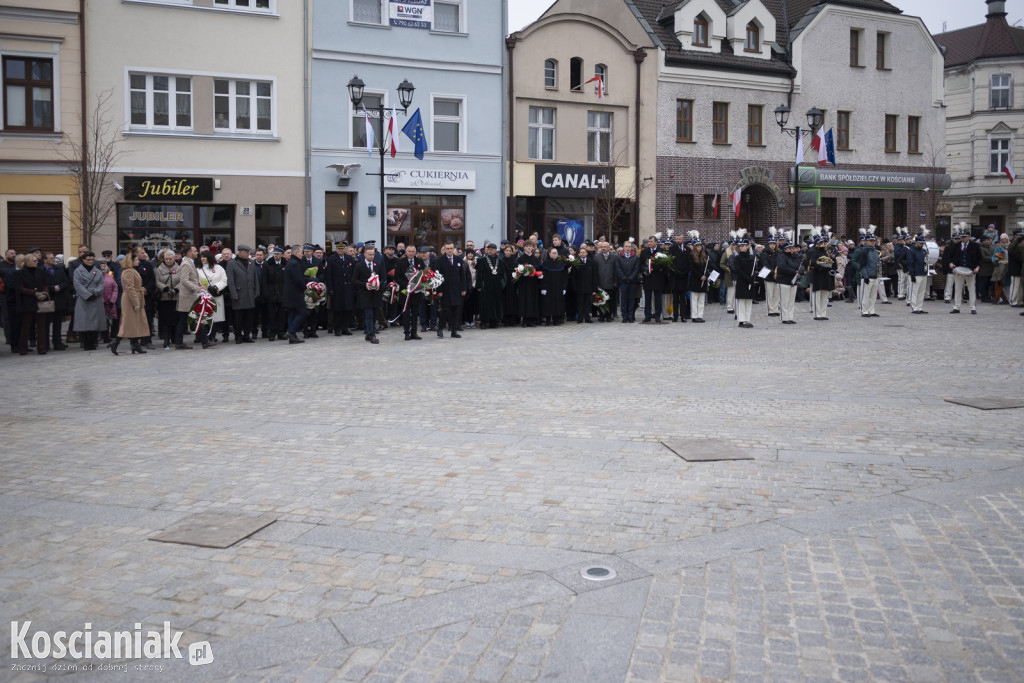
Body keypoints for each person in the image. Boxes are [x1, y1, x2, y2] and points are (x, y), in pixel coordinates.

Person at [111, 251, 150, 355]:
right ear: (131, 261)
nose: (138, 261)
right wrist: (135, 302)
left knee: (135, 323)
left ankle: (135, 344)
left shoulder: (132, 270)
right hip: (130, 299)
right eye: (136, 260)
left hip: (135, 297)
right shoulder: (128, 271)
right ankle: (116, 342)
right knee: (128, 323)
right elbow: (129, 287)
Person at [15, 252, 50, 355]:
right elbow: (20, 288)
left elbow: (45, 284)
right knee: (25, 326)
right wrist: (34, 293)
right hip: (27, 302)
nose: (36, 262)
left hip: (40, 301)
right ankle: (23, 348)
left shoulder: (41, 272)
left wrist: (45, 292)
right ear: (28, 262)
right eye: (34, 261)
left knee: (41, 327)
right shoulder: (20, 273)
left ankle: (42, 348)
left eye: (37, 261)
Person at [225, 244, 260, 343]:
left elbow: (255, 277)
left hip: (250, 293)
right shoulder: (232, 263)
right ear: (240, 252)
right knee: (238, 317)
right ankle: (238, 336)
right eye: (247, 252)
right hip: (239, 294)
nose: (249, 254)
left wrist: (256, 290)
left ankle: (246, 335)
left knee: (249, 317)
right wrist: (233, 293)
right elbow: (230, 280)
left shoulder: (251, 262)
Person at [71, 252, 106, 350]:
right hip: (83, 299)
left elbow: (101, 284)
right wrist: (87, 294)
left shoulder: (98, 271)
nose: (90, 262)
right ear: (83, 260)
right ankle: (85, 342)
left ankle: (94, 341)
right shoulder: (78, 271)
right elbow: (77, 285)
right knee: (84, 321)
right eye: (88, 260)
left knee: (95, 321)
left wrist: (95, 292)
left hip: (96, 298)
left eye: (92, 260)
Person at [432, 242, 465, 338]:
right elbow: (437, 277)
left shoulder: (458, 259)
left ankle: (454, 331)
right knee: (445, 310)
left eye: (451, 248)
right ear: (444, 249)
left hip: (456, 289)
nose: (450, 250)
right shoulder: (439, 260)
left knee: (456, 310)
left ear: (454, 249)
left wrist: (463, 288)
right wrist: (439, 290)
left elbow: (462, 275)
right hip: (445, 290)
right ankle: (440, 328)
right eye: (448, 248)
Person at [393, 244, 425, 340]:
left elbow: (423, 275)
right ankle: (406, 332)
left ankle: (414, 332)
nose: (411, 253)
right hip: (405, 292)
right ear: (406, 252)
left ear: (415, 252)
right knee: (406, 313)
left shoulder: (419, 261)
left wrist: (416, 285)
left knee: (415, 313)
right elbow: (397, 277)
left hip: (416, 292)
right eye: (409, 251)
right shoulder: (400, 262)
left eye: (413, 251)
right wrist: (407, 285)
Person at [283, 244, 314, 343]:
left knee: (292, 314)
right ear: (296, 253)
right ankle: (291, 331)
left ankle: (293, 337)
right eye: (301, 253)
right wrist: (305, 288)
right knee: (302, 312)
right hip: (295, 293)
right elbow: (298, 279)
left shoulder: (291, 262)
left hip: (289, 293)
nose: (302, 255)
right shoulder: (295, 263)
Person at [174, 245, 204, 349]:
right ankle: (179, 342)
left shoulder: (190, 262)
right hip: (187, 297)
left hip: (190, 296)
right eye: (195, 251)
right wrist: (197, 288)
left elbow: (192, 278)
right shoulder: (186, 264)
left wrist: (198, 284)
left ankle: (204, 341)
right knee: (186, 320)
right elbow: (184, 280)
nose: (197, 253)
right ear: (189, 253)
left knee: (191, 319)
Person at [353, 244, 384, 344]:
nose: (371, 256)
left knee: (375, 314)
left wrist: (379, 284)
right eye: (369, 254)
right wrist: (364, 284)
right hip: (365, 294)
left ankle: (368, 334)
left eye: (373, 254)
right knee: (369, 314)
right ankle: (372, 334)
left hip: (376, 294)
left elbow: (383, 278)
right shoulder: (359, 265)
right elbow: (354, 280)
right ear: (365, 254)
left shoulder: (377, 265)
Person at [324, 243, 356, 337]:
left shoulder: (349, 258)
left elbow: (353, 273)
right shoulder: (331, 259)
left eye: (342, 249)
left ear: (345, 249)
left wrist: (353, 287)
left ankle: (345, 328)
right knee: (337, 310)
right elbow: (328, 276)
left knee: (347, 309)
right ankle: (337, 328)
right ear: (336, 249)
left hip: (348, 288)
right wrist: (330, 289)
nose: (341, 250)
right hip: (337, 288)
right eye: (339, 249)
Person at [947, 228, 981, 314]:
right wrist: (951, 263)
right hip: (959, 270)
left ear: (969, 237)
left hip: (971, 270)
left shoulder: (975, 245)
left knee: (971, 288)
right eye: (962, 237)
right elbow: (950, 257)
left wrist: (977, 267)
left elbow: (980, 258)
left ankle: (973, 307)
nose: (963, 239)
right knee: (958, 288)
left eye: (965, 237)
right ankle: (956, 307)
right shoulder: (956, 245)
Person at [197, 250, 229, 341]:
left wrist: (216, 287)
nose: (202, 259)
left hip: (216, 294)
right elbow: (196, 281)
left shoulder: (218, 268)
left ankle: (212, 336)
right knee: (206, 316)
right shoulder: (198, 269)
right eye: (201, 257)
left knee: (215, 316)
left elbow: (224, 280)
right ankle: (205, 336)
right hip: (204, 295)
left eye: (204, 257)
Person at [803, 229, 835, 320]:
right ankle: (817, 314)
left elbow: (828, 261)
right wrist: (823, 266)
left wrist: (829, 265)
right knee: (817, 295)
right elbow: (813, 263)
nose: (822, 244)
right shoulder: (812, 252)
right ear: (817, 244)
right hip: (817, 274)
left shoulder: (825, 252)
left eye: (823, 243)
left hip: (825, 274)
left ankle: (823, 313)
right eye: (820, 243)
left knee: (825, 295)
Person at [42, 252, 71, 350]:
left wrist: (60, 287)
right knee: (45, 323)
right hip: (47, 299)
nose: (53, 259)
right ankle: (45, 344)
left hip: (59, 298)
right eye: (50, 258)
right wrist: (51, 288)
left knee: (57, 323)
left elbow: (66, 281)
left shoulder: (59, 269)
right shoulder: (40, 270)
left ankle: (57, 343)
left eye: (53, 257)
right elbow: (39, 283)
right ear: (45, 260)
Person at [730, 233, 760, 328]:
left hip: (750, 281)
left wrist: (754, 275)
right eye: (740, 246)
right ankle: (741, 320)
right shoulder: (737, 258)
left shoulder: (752, 257)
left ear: (748, 246)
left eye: (744, 246)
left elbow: (754, 269)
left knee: (749, 301)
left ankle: (747, 319)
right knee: (742, 302)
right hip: (742, 281)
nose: (742, 247)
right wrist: (748, 278)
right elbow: (738, 270)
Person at [154, 249, 181, 348]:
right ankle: (166, 339)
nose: (168, 261)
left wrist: (176, 289)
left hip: (176, 298)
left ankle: (175, 338)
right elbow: (157, 281)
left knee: (176, 319)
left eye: (170, 259)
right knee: (165, 320)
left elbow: (182, 280)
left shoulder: (179, 268)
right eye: (166, 259)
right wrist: (164, 288)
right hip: (164, 298)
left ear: (174, 258)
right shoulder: (159, 269)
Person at [476, 242, 505, 329]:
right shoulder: (482, 260)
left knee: (495, 303)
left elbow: (503, 274)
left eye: (492, 249)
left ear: (496, 250)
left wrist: (501, 285)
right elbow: (479, 274)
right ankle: (484, 321)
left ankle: (494, 321)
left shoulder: (500, 261)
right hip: (486, 286)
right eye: (488, 249)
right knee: (485, 304)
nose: (490, 251)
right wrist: (479, 286)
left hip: (496, 286)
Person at [774, 233, 802, 324]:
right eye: (790, 248)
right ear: (785, 249)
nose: (792, 250)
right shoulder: (781, 256)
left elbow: (798, 265)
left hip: (792, 280)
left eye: (792, 248)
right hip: (783, 280)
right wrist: (794, 271)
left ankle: (790, 316)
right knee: (784, 300)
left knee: (791, 300)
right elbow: (782, 267)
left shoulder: (795, 257)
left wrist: (796, 271)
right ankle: (784, 318)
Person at [852, 229, 881, 318]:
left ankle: (871, 310)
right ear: (867, 241)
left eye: (874, 241)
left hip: (875, 275)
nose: (873, 242)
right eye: (871, 241)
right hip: (867, 276)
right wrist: (865, 276)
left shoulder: (875, 252)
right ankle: (864, 311)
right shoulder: (864, 251)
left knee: (873, 296)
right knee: (865, 295)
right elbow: (862, 265)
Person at [133, 246, 158, 349]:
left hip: (147, 296)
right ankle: (135, 341)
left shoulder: (148, 265)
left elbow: (153, 279)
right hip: (135, 296)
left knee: (147, 318)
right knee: (135, 320)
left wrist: (146, 289)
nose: (144, 254)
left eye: (144, 253)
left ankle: (147, 340)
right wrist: (138, 289)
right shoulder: (131, 266)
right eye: (141, 253)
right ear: (136, 254)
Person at [683, 233, 711, 323]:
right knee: (694, 299)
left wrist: (706, 275)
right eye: (697, 246)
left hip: (703, 280)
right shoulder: (691, 256)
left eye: (700, 246)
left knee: (701, 299)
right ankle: (694, 316)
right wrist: (700, 276)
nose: (699, 248)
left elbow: (708, 267)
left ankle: (700, 315)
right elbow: (692, 268)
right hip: (695, 280)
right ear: (694, 247)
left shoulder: (704, 256)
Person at [262, 246, 288, 340]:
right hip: (271, 293)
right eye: (274, 254)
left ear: (282, 255)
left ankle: (281, 332)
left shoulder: (285, 264)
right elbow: (264, 281)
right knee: (271, 314)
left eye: (278, 254)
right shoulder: (267, 264)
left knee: (282, 314)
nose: (276, 255)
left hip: (282, 292)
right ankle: (272, 332)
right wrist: (266, 293)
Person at [639, 236, 667, 323]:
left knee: (658, 298)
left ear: (656, 242)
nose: (649, 243)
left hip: (658, 278)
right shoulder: (644, 252)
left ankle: (657, 315)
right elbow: (640, 264)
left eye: (651, 241)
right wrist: (644, 269)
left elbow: (665, 265)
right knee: (647, 298)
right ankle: (647, 315)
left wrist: (659, 267)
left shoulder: (661, 251)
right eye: (649, 241)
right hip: (648, 278)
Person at [539, 246, 567, 325]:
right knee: (548, 303)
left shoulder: (561, 263)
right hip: (548, 287)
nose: (555, 255)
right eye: (553, 253)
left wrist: (564, 287)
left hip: (558, 287)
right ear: (549, 254)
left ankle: (556, 319)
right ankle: (548, 319)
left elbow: (563, 277)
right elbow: (543, 277)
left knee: (557, 303)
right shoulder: (545, 263)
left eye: (556, 253)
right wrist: (543, 287)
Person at [516, 242, 541, 327]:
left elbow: (538, 269)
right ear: (524, 248)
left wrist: (538, 274)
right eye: (527, 246)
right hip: (524, 283)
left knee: (532, 301)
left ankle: (531, 320)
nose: (529, 248)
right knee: (524, 301)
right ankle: (525, 320)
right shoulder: (521, 259)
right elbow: (517, 271)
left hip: (533, 283)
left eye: (530, 246)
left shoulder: (535, 259)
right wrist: (523, 273)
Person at [570, 244, 596, 324]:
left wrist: (594, 286)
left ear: (587, 253)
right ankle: (580, 318)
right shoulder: (576, 262)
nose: (582, 254)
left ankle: (587, 317)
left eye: (584, 252)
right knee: (580, 303)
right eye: (581, 252)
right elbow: (573, 276)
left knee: (588, 303)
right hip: (579, 287)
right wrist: (574, 286)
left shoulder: (591, 262)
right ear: (579, 254)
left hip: (588, 286)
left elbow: (594, 275)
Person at [615, 240, 640, 323]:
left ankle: (630, 316)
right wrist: (624, 278)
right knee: (624, 300)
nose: (628, 248)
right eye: (626, 246)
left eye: (629, 246)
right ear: (623, 247)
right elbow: (618, 269)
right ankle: (624, 316)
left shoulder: (635, 257)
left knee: (632, 300)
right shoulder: (619, 257)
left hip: (632, 282)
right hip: (623, 282)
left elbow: (636, 269)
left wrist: (631, 278)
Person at [594, 241, 619, 322]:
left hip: (610, 282)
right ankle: (601, 316)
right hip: (600, 282)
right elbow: (595, 271)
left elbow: (616, 270)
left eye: (605, 247)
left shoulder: (615, 257)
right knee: (601, 300)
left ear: (609, 247)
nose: (603, 248)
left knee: (610, 300)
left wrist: (615, 281)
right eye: (602, 247)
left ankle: (609, 316)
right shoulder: (596, 257)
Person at [668, 233, 690, 323]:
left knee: (682, 298)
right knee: (675, 298)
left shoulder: (687, 249)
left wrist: (684, 272)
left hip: (683, 277)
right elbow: (671, 262)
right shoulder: (672, 249)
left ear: (683, 239)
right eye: (676, 239)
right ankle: (675, 316)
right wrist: (676, 271)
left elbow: (689, 263)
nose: (678, 241)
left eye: (679, 239)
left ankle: (683, 316)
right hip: (675, 277)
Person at [906, 232, 929, 314]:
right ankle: (914, 307)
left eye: (923, 243)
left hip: (923, 273)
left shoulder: (923, 251)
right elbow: (910, 263)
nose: (922, 244)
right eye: (920, 243)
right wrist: (912, 274)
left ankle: (920, 307)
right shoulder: (911, 251)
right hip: (916, 273)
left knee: (922, 291)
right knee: (914, 291)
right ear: (916, 242)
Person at [761, 229, 781, 317]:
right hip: (769, 276)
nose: (772, 246)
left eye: (774, 244)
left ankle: (776, 309)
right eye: (771, 244)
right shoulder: (765, 253)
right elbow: (765, 265)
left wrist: (778, 273)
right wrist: (773, 273)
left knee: (776, 294)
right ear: (768, 244)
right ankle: (770, 310)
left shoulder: (778, 253)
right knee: (770, 294)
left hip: (777, 276)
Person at [501, 244, 520, 327]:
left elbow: (518, 272)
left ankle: (512, 319)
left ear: (512, 252)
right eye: (507, 250)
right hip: (504, 284)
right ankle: (505, 320)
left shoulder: (515, 262)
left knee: (512, 302)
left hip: (512, 284)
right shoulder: (501, 261)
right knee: (504, 301)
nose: (508, 252)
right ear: (504, 251)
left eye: (510, 251)